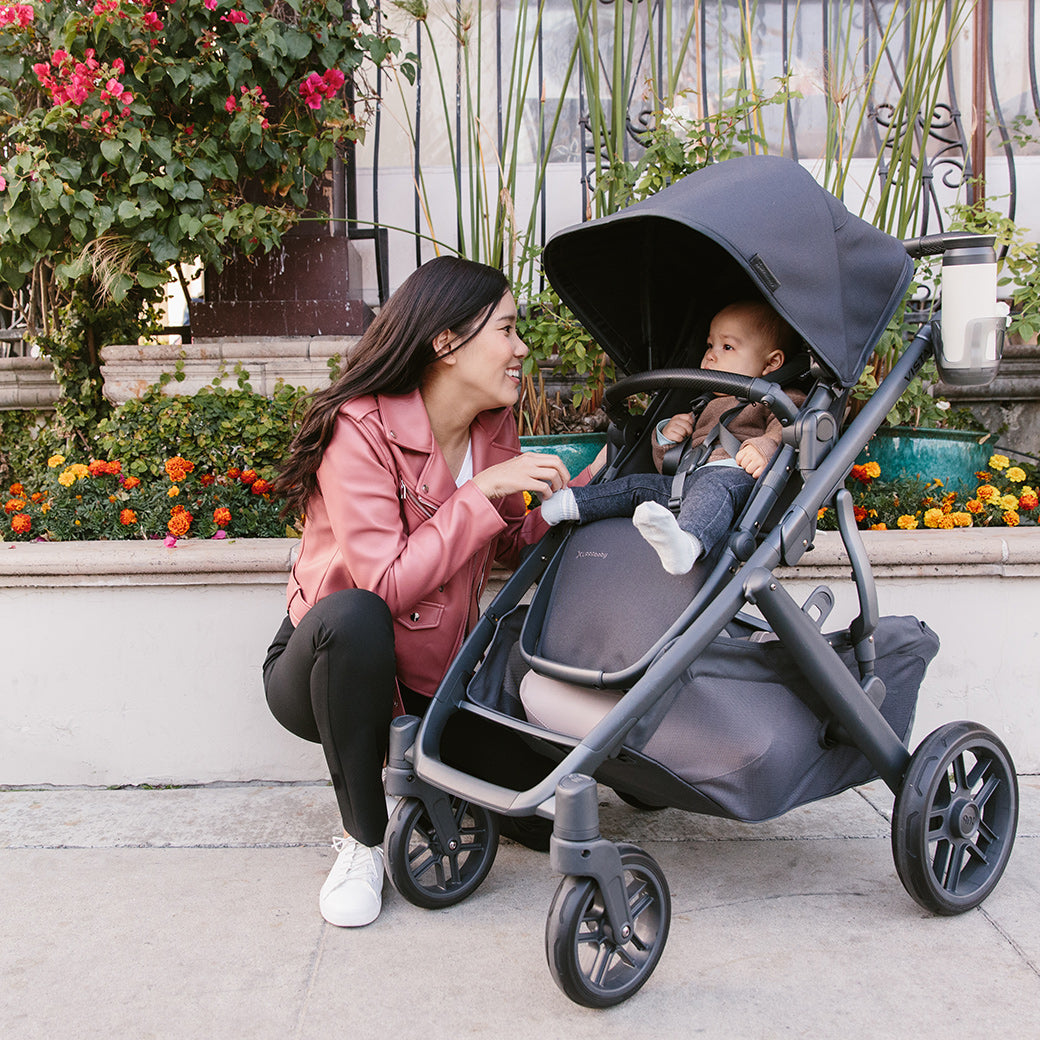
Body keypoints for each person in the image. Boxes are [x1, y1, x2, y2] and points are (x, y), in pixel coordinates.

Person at [263, 256, 602, 929]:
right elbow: (383, 584)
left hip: (436, 678)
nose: (521, 348)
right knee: (358, 614)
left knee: (542, 802)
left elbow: (504, 543)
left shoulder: (490, 426)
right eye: (507, 329)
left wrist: (587, 492)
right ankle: (362, 839)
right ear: (447, 342)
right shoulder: (357, 429)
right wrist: (480, 493)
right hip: (333, 667)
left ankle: (434, 774)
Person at [540, 299, 803, 574]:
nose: (711, 355)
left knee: (713, 487)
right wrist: (667, 437)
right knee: (636, 486)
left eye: (727, 347)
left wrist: (765, 447)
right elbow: (666, 464)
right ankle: (573, 503)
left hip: (735, 481)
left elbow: (787, 430)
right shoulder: (704, 404)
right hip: (685, 482)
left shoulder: (779, 400)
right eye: (709, 345)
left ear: (772, 362)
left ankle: (687, 543)